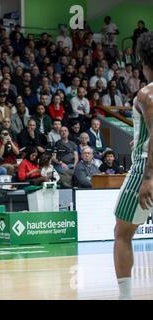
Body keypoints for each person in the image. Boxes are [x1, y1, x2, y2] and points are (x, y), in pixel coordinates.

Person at [113, 32, 153, 300]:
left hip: (144, 170)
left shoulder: (147, 94)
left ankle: (125, 297)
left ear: (142, 61)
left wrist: (148, 177)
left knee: (122, 233)